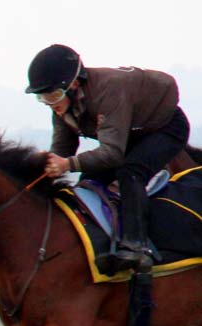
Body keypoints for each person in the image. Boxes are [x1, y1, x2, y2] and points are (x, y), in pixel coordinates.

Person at [26, 44, 189, 271]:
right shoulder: (62, 106)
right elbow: (63, 150)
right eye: (43, 98)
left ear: (74, 84)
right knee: (89, 178)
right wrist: (47, 166)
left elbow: (112, 153)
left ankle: (137, 246)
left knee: (130, 172)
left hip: (165, 128)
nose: (51, 104)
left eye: (53, 95)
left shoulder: (108, 90)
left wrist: (67, 165)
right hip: (131, 131)